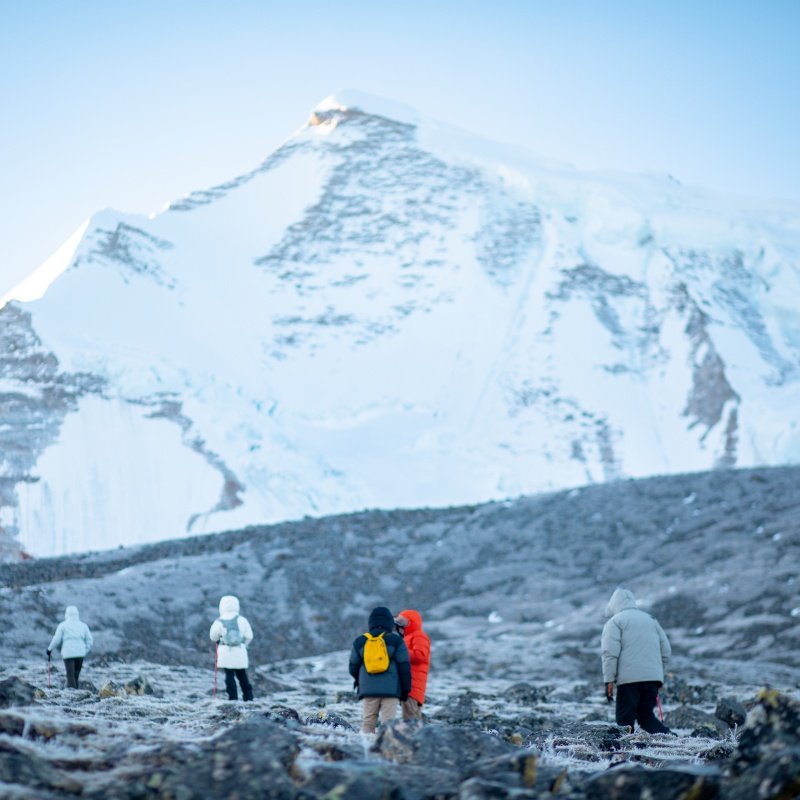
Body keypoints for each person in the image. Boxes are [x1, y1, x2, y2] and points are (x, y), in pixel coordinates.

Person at [601, 587, 673, 734]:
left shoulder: (615, 622)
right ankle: (670, 737)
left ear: (613, 605)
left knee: (624, 721)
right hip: (652, 679)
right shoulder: (651, 620)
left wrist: (609, 681)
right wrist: (655, 674)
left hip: (628, 681)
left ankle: (625, 747)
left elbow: (610, 654)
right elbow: (666, 652)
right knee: (646, 717)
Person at [349, 606, 411, 733]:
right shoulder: (396, 640)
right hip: (391, 689)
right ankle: (385, 744)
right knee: (388, 723)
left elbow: (353, 667)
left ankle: (365, 743)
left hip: (368, 689)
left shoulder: (360, 641)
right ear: (389, 622)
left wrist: (361, 681)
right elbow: (404, 667)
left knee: (368, 721)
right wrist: (405, 689)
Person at [209, 595, 254, 701]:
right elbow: (249, 636)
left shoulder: (219, 621)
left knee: (229, 675)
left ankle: (233, 698)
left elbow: (213, 637)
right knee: (242, 675)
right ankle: (248, 697)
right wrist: (244, 645)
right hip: (240, 651)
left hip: (225, 651)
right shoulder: (242, 620)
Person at [394, 609, 430, 721]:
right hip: (409, 683)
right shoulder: (407, 638)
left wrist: (400, 652)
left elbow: (420, 656)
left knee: (410, 717)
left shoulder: (419, 636)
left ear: (413, 623)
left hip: (413, 684)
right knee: (411, 716)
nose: (400, 625)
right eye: (398, 621)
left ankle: (412, 732)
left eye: (404, 622)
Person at [47, 606, 93, 689]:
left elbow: (56, 640)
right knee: (76, 675)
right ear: (77, 614)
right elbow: (89, 641)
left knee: (70, 676)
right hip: (80, 654)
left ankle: (72, 693)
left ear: (67, 614)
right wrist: (84, 650)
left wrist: (50, 649)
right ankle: (77, 692)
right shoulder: (83, 626)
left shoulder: (63, 625)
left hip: (68, 654)